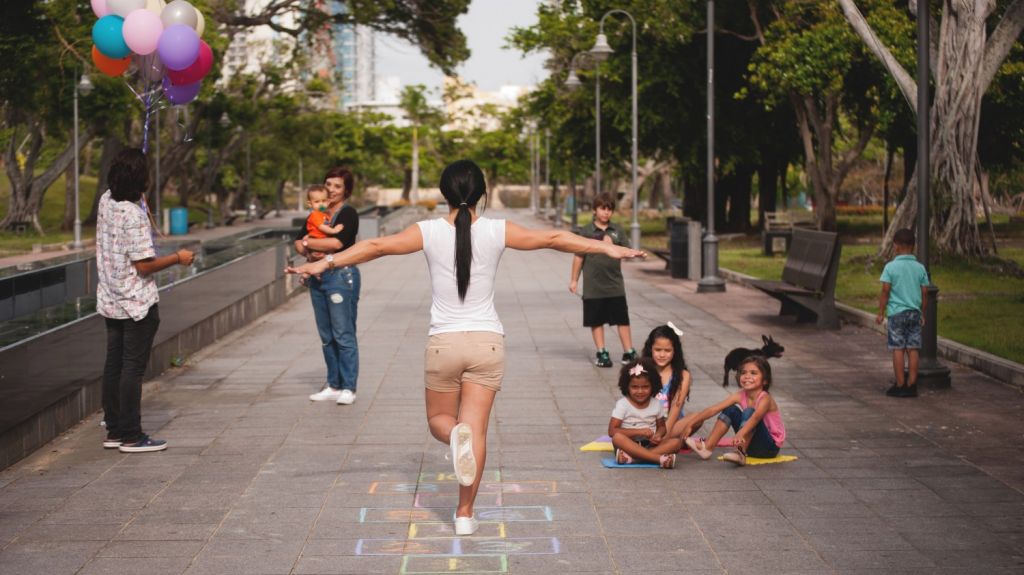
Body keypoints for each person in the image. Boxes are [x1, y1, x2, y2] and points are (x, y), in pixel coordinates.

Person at [286, 159, 645, 536]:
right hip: (487, 343)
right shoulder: (497, 230)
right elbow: (554, 239)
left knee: (442, 423)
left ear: (444, 194)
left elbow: (375, 246)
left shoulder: (426, 231)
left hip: (444, 344)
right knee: (477, 433)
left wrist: (324, 263)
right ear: (482, 195)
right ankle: (464, 515)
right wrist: (606, 249)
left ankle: (455, 436)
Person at [96, 148, 194, 453]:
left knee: (114, 366)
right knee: (131, 369)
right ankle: (131, 435)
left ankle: (114, 430)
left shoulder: (105, 201)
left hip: (111, 299)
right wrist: (178, 257)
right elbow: (144, 265)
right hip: (136, 304)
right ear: (141, 178)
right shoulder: (134, 216)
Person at [294, 168, 361, 405]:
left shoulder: (347, 214)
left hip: (341, 278)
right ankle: (333, 384)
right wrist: (305, 244)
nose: (331, 190)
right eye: (328, 185)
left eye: (337, 186)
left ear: (346, 191)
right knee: (326, 336)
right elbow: (298, 245)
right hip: (318, 277)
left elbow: (336, 242)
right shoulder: (315, 214)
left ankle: (348, 387)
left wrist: (307, 242)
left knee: (343, 334)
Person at [569, 194, 637, 368]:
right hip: (593, 285)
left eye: (609, 209)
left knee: (622, 319)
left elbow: (626, 250)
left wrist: (614, 246)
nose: (606, 213)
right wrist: (574, 280)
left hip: (615, 284)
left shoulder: (617, 230)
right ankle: (602, 352)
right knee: (596, 320)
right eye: (602, 208)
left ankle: (628, 351)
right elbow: (578, 257)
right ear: (594, 210)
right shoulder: (586, 231)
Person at [682, 356, 785, 466]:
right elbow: (714, 409)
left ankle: (740, 453)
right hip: (750, 444)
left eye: (753, 373)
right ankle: (707, 448)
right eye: (744, 372)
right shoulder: (740, 395)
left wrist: (740, 433)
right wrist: (690, 424)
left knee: (749, 412)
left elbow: (755, 418)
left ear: (765, 380)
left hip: (769, 448)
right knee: (730, 409)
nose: (747, 376)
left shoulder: (766, 399)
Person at [876, 228, 929, 398]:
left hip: (896, 314)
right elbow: (925, 293)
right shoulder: (920, 268)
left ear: (895, 246)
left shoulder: (890, 267)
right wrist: (922, 312)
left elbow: (885, 290)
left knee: (898, 348)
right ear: (913, 246)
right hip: (914, 313)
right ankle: (912, 385)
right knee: (913, 349)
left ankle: (900, 385)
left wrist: (881, 311)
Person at [609, 358, 675, 469]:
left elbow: (662, 427)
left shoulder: (656, 404)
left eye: (645, 387)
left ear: (653, 386)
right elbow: (612, 431)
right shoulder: (623, 404)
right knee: (617, 438)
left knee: (676, 442)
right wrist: (639, 432)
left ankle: (633, 459)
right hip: (628, 445)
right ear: (627, 387)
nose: (640, 391)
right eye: (635, 387)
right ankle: (657, 459)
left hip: (650, 445)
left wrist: (658, 435)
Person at [645, 322, 691, 428]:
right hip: (646, 425)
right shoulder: (643, 370)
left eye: (667, 350)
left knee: (696, 417)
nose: (662, 355)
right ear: (650, 349)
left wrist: (664, 435)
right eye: (657, 350)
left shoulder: (683, 375)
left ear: (675, 351)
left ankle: (668, 442)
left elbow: (676, 407)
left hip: (671, 425)